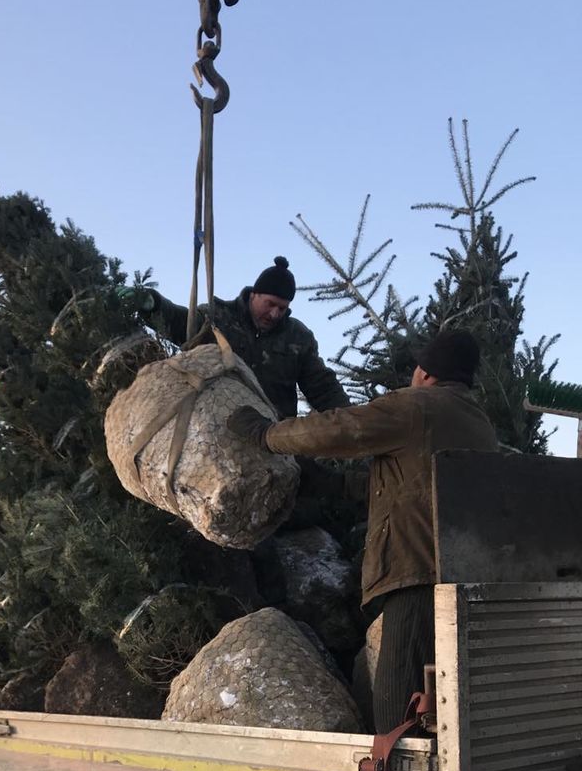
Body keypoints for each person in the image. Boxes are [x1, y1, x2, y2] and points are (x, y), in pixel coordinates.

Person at [228, 329, 498, 732]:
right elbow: (421, 484)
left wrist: (266, 435)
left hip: (416, 577)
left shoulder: (417, 406)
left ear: (424, 372)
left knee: (398, 716)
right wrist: (340, 487)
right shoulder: (477, 422)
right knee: (438, 709)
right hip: (459, 578)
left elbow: (341, 427)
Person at [135, 256, 349, 420]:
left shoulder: (298, 338)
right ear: (254, 294)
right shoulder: (216, 316)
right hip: (215, 425)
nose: (275, 313)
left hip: (276, 437)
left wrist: (354, 420)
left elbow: (322, 386)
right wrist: (153, 304)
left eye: (282, 308)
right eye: (271, 304)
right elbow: (181, 322)